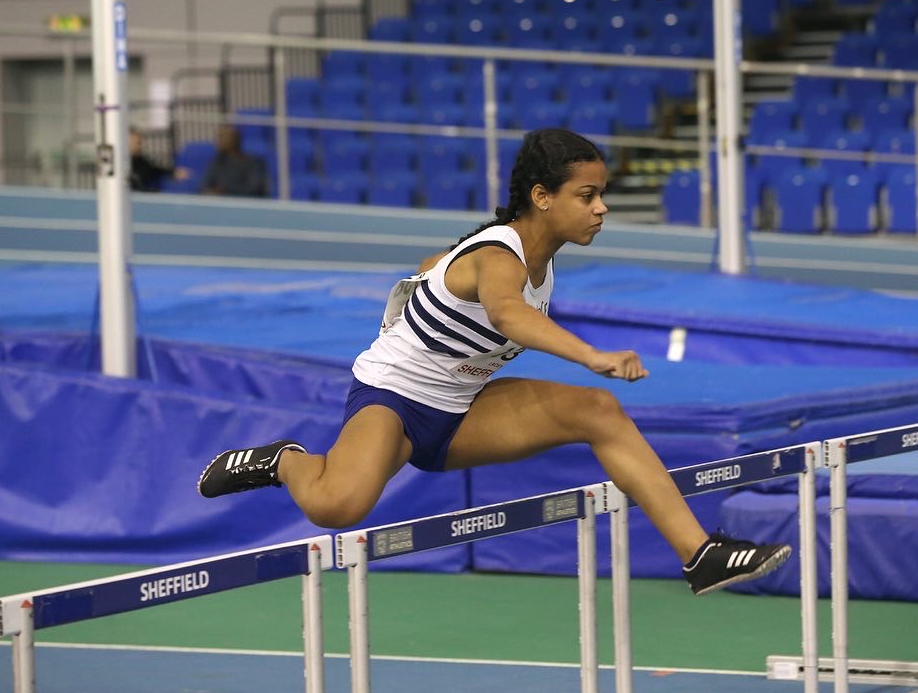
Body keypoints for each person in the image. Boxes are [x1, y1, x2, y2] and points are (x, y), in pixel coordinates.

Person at [197, 128, 791, 596]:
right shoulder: (500, 254)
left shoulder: (532, 261)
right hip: (394, 400)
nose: (601, 208)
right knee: (336, 506)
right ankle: (284, 460)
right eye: (586, 196)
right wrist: (592, 355)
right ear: (542, 197)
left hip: (462, 408)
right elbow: (508, 315)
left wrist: (431, 279)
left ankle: (700, 554)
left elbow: (439, 269)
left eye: (601, 195)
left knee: (598, 411)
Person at [201, 124, 268, 198]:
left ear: (236, 140)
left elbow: (254, 189)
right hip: (219, 202)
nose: (219, 141)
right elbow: (203, 186)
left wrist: (225, 191)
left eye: (223, 137)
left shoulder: (254, 163)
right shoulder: (216, 162)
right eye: (219, 137)